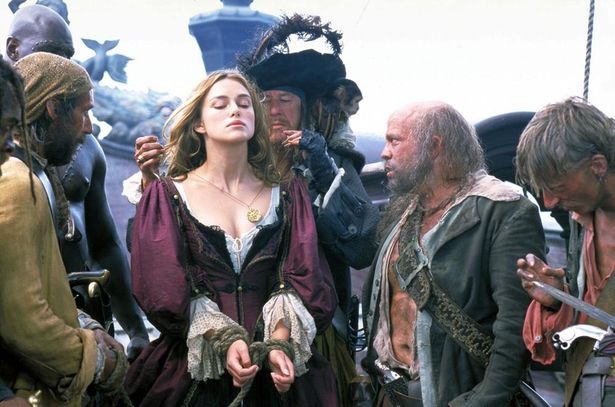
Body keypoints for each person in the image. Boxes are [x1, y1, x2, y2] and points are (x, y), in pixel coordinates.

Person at [124, 70, 338, 406]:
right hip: (195, 368)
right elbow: (162, 284)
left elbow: (302, 274)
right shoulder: (168, 194)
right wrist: (224, 340)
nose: (235, 110)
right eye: (220, 105)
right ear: (199, 123)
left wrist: (279, 344)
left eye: (244, 104)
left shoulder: (287, 192)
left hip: (275, 370)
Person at [361, 101, 546, 406]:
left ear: (434, 146)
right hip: (391, 394)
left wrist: (481, 401)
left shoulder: (503, 211)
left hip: (461, 396)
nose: (385, 152)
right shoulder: (405, 212)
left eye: (395, 141)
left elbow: (516, 330)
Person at [6, 4, 149, 358]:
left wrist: (135, 329)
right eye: (52, 52)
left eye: (68, 55)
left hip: (89, 317)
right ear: (13, 50)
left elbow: (105, 243)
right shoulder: (6, 152)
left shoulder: (86, 145)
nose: (63, 64)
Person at [0, 54, 125, 406]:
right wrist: (96, 362)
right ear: (54, 108)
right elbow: (22, 319)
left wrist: (86, 325)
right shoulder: (16, 181)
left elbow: (41, 286)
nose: (89, 127)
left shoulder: (33, 175)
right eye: (84, 112)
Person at [516, 96, 615, 406]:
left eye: (557, 187)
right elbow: (591, 324)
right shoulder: (582, 219)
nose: (549, 202)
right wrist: (558, 298)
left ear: (597, 166)